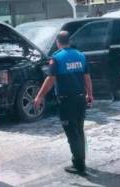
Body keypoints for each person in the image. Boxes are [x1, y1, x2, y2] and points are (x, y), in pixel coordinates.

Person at [34, 31, 93, 176]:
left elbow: (50, 79)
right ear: (69, 41)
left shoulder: (57, 58)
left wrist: (39, 96)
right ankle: (81, 160)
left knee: (72, 132)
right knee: (78, 129)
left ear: (58, 42)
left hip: (67, 101)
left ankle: (79, 165)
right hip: (80, 99)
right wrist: (90, 94)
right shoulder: (80, 55)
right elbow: (87, 78)